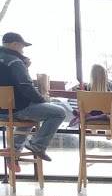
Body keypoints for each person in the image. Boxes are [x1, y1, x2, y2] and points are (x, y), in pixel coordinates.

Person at [0, 32, 68, 160]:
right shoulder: (15, 62)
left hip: (2, 112)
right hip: (17, 109)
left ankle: (14, 149)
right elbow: (26, 86)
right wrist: (42, 100)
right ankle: (37, 145)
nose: (22, 50)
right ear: (15, 44)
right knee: (59, 112)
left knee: (32, 113)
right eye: (22, 47)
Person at [71, 64, 112, 152]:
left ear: (91, 75)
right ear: (105, 74)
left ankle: (94, 130)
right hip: (107, 116)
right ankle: (109, 133)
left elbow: (75, 90)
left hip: (91, 117)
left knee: (89, 113)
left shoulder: (85, 87)